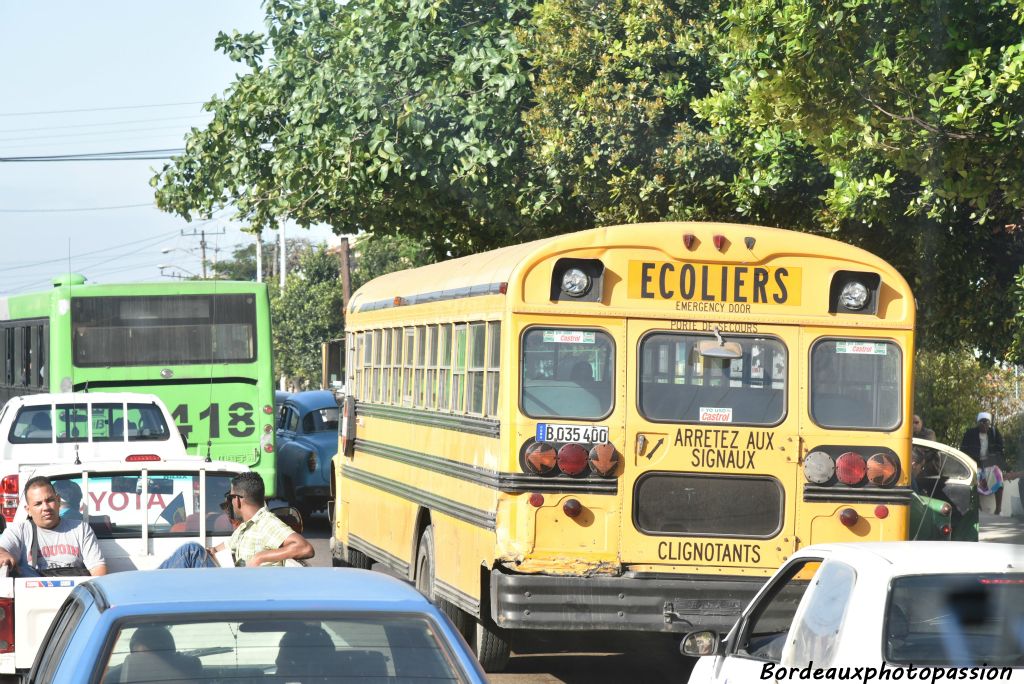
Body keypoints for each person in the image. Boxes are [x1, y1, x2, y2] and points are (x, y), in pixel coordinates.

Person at [158, 471, 314, 569]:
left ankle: (150, 588)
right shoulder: (245, 527)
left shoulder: (266, 522)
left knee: (190, 551)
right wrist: (210, 551)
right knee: (193, 551)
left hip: (243, 591)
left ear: (238, 500)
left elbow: (305, 548)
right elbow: (221, 548)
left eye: (229, 497)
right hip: (234, 582)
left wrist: (260, 557)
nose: (229, 503)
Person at [0, 476, 106, 577]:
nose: (45, 507)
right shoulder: (19, 531)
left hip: (75, 594)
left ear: (58, 501)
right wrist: (3, 555)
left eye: (50, 500)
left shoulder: (81, 529)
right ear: (28, 510)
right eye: (38, 504)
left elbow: (98, 569)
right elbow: (2, 549)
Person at [960, 411, 1006, 514]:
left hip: (990, 464)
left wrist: (1002, 465)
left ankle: (998, 508)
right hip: (975, 464)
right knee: (972, 477)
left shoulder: (994, 433)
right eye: (982, 422)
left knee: (998, 475)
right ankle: (978, 506)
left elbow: (1000, 450)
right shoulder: (970, 433)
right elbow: (963, 450)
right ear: (978, 423)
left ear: (989, 424)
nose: (984, 425)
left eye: (986, 423)